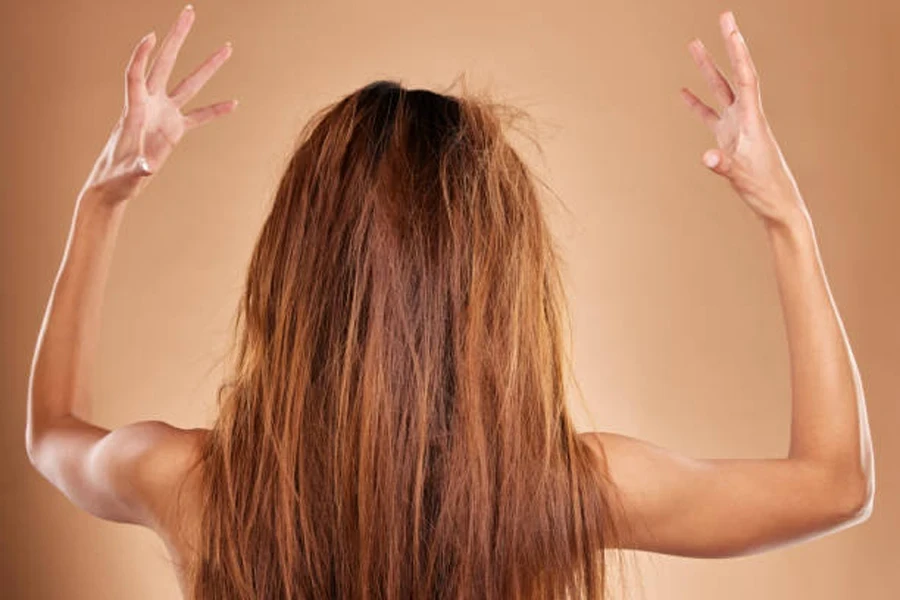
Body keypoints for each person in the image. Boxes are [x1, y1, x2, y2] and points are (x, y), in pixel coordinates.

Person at [24, 4, 874, 599]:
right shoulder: (558, 495)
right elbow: (835, 486)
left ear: (293, 277)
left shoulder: (195, 484)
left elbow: (51, 430)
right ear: (502, 297)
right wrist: (786, 217)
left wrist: (101, 204)